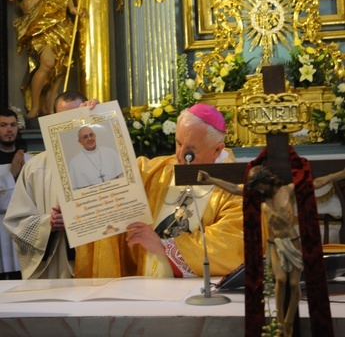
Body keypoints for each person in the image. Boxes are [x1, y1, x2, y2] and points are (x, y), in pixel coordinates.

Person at [75, 103, 246, 279]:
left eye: (191, 150)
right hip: (144, 289)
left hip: (196, 295)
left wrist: (165, 247)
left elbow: (230, 244)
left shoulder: (237, 188)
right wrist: (94, 118)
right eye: (178, 143)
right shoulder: (159, 171)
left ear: (217, 149)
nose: (180, 156)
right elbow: (110, 174)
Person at [197, 164, 345, 337]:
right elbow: (235, 189)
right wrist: (211, 180)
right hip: (274, 244)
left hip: (292, 241)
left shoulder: (288, 190)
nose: (255, 189)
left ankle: (288, 323)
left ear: (266, 181)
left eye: (257, 185)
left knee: (293, 284)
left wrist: (342, 172)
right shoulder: (261, 197)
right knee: (280, 281)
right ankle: (279, 323)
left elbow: (320, 182)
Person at [3, 91, 98, 279]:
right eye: (63, 119)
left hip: (99, 262)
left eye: (76, 117)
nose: (71, 125)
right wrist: (49, 224)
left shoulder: (107, 158)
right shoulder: (35, 168)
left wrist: (104, 119)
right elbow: (17, 223)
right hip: (58, 267)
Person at [4, 0, 83, 119]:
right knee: (47, 63)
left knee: (59, 67)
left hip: (57, 23)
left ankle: (48, 107)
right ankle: (34, 107)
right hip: (35, 26)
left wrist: (72, 8)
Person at [0, 109, 33, 279]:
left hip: (24, 233)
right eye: (3, 125)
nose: (9, 129)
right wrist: (11, 175)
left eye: (13, 125)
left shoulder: (29, 160)